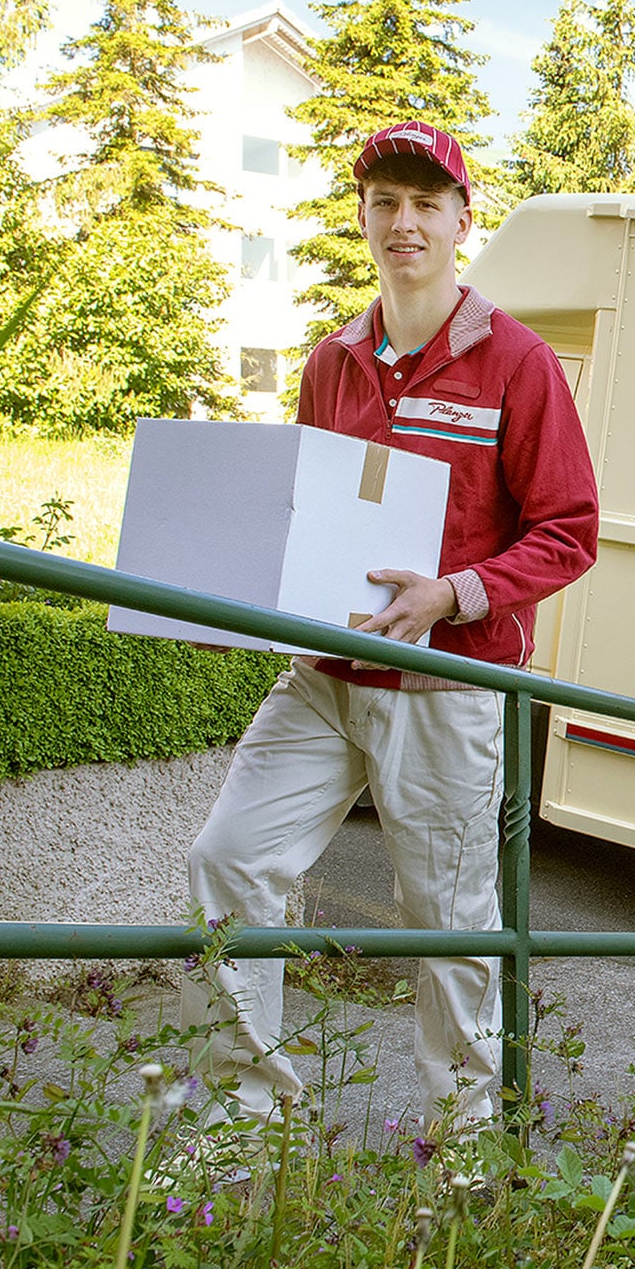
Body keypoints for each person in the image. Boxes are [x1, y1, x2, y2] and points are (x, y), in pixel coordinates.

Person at [181, 120, 600, 1135]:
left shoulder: (517, 361)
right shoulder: (334, 359)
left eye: (425, 202)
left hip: (448, 685)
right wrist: (225, 594)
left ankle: (457, 1162)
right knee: (229, 860)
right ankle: (243, 1128)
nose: (403, 221)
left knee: (449, 928)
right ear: (365, 219)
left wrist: (452, 592)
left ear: (462, 219)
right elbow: (307, 509)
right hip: (327, 676)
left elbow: (571, 530)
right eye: (385, 203)